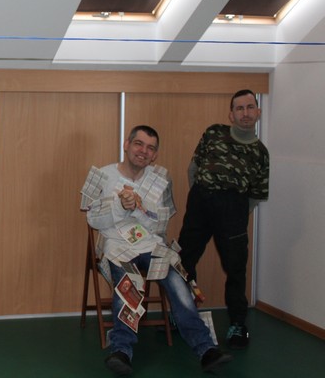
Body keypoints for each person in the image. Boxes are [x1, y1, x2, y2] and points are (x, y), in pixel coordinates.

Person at [83, 125, 231, 376]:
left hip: (150, 244)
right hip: (118, 247)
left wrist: (137, 207)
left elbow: (159, 224)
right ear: (127, 145)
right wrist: (119, 206)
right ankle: (121, 351)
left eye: (150, 148)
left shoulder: (160, 179)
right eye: (139, 144)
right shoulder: (103, 175)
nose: (144, 151)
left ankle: (206, 349)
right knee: (128, 283)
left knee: (177, 281)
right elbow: (93, 220)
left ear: (155, 155)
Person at [178, 89, 269, 349]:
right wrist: (201, 198)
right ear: (231, 114)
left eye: (250, 107)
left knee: (236, 268)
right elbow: (193, 168)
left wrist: (234, 213)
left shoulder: (261, 153)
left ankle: (238, 324)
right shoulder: (213, 132)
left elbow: (256, 194)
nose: (245, 113)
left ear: (258, 112)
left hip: (234, 210)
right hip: (200, 202)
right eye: (239, 108)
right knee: (184, 261)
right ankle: (184, 315)